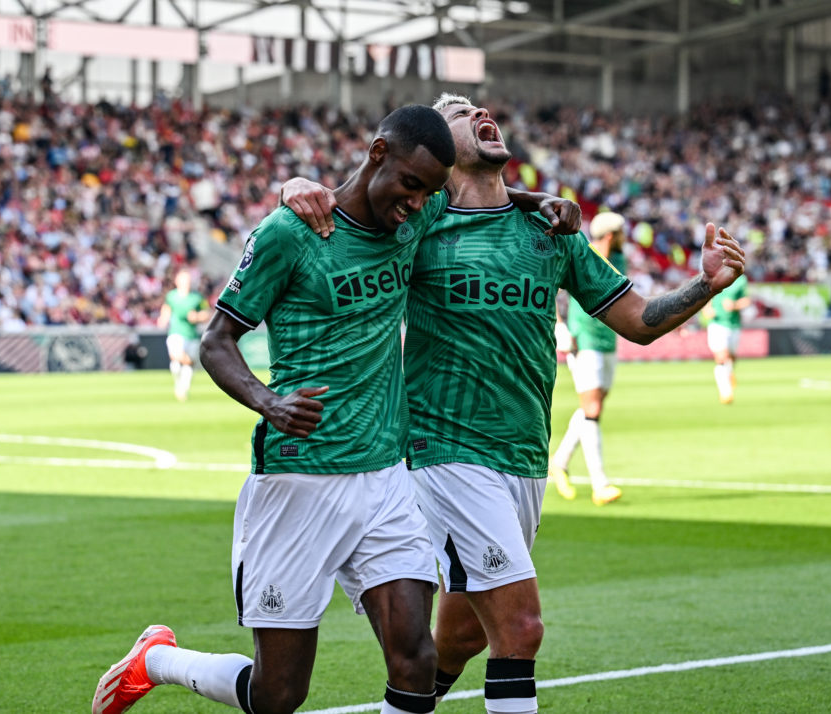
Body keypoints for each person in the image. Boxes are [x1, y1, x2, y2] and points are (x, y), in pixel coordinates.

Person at [282, 93, 745, 714]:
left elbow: (636, 321)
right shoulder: (420, 221)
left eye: (479, 108)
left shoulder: (550, 230)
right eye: (458, 114)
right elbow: (348, 207)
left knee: (467, 633)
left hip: (523, 456)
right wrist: (296, 187)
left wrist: (704, 284)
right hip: (443, 451)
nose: (478, 114)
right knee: (521, 628)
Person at [92, 104, 458, 714]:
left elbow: (475, 188)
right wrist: (269, 402)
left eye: (429, 193)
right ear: (376, 154)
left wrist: (540, 202)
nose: (417, 203)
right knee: (278, 695)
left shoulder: (415, 216)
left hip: (384, 477)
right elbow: (216, 342)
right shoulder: (290, 233)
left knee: (417, 659)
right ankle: (155, 660)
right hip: (298, 482)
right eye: (410, 185)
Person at [548, 211, 629, 505]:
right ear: (610, 235)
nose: (624, 237)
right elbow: (552, 286)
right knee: (592, 409)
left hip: (608, 339)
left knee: (591, 409)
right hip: (585, 339)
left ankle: (559, 462)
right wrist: (559, 325)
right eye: (620, 232)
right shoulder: (583, 253)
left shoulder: (619, 259)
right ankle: (600, 483)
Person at [156, 267, 210, 401]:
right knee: (177, 357)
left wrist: (197, 317)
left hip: (191, 335)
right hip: (176, 333)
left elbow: (208, 313)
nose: (186, 282)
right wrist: (162, 320)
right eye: (183, 279)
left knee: (188, 365)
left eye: (188, 279)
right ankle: (179, 384)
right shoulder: (171, 296)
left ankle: (182, 389)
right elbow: (166, 310)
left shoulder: (197, 298)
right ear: (177, 280)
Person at [703, 273, 751, 404]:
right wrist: (706, 309)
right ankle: (726, 392)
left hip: (734, 325)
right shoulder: (714, 276)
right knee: (721, 357)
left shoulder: (741, 280)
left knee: (732, 357)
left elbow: (746, 300)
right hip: (717, 324)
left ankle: (729, 373)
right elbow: (706, 296)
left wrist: (734, 305)